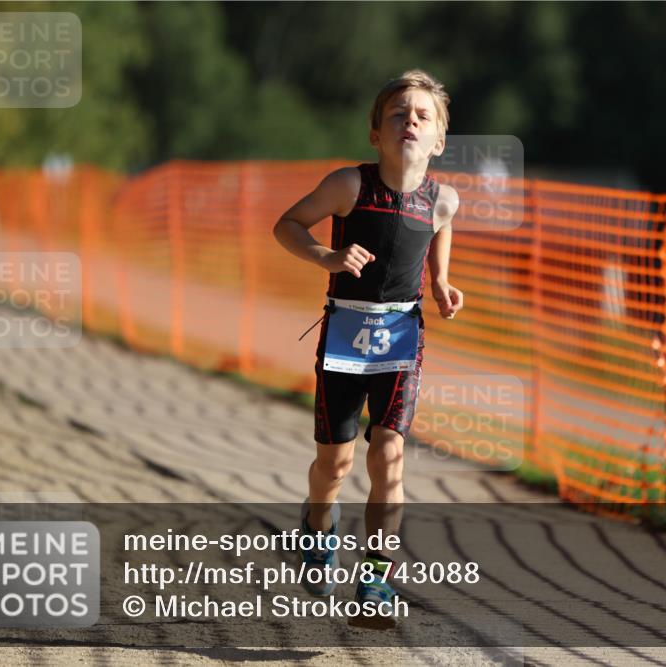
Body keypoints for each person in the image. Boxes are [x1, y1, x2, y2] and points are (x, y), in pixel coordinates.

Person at [273, 69, 462, 629]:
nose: (411, 122)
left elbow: (438, 241)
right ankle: (317, 524)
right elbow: (287, 225)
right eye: (398, 114)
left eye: (422, 116)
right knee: (335, 462)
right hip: (344, 339)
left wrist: (444, 283)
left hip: (402, 338)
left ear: (439, 139)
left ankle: (376, 575)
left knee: (389, 454)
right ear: (376, 133)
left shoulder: (443, 200)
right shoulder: (349, 186)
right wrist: (325, 258)